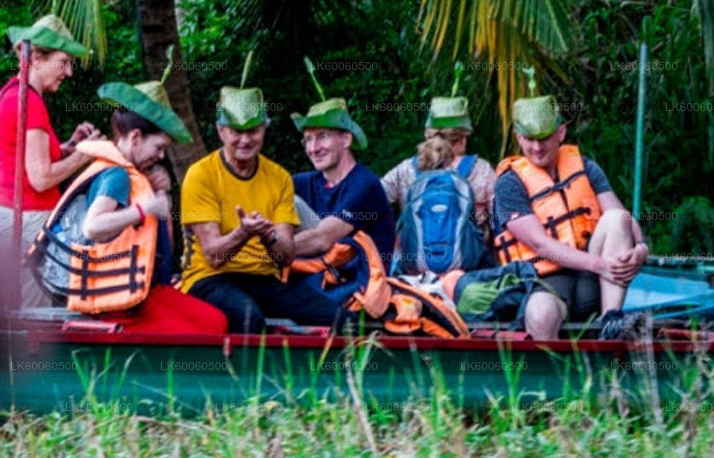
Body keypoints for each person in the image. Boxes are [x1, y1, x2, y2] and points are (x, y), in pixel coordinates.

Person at [29, 75, 227, 333]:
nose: (161, 156)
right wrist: (145, 209)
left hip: (142, 293)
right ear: (135, 138)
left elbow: (158, 246)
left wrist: (158, 195)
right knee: (208, 330)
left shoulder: (133, 175)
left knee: (216, 322)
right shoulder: (117, 175)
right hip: (119, 303)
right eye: (159, 147)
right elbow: (93, 226)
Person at [179, 82, 349, 334]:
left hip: (263, 279)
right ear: (221, 131)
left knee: (342, 320)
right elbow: (214, 256)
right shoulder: (200, 174)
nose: (245, 140)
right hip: (208, 278)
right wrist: (243, 233)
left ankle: (325, 363)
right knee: (247, 317)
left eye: (253, 131)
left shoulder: (279, 177)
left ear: (264, 129)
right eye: (237, 132)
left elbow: (286, 256)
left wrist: (268, 236)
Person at [489, 87, 648, 340]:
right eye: (529, 139)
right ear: (519, 138)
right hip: (546, 280)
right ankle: (549, 365)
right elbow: (539, 243)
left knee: (617, 219)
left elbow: (621, 215)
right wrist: (601, 265)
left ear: (561, 133)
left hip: (593, 278)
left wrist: (640, 249)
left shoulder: (586, 167)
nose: (537, 147)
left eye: (544, 138)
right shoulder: (509, 183)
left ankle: (611, 321)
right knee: (540, 316)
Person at [1, 15, 101, 307]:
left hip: (15, 218)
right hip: (27, 222)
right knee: (36, 315)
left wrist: (69, 147)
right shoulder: (29, 102)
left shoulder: (13, 93)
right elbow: (41, 178)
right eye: (64, 62)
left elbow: (21, 158)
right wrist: (85, 155)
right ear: (37, 58)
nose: (68, 72)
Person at [291, 94, 395, 267]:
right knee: (276, 195)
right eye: (308, 139)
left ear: (346, 139)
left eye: (323, 136)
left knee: (292, 202)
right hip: (320, 274)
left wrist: (265, 252)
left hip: (359, 280)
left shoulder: (365, 184)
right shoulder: (305, 182)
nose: (313, 148)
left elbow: (322, 240)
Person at [382, 93, 496, 228]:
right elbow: (499, 219)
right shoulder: (481, 170)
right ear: (463, 138)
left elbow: (370, 200)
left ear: (427, 135)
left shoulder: (406, 170)